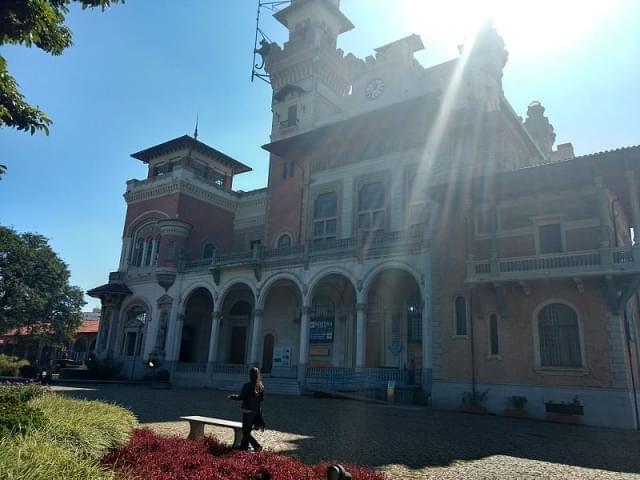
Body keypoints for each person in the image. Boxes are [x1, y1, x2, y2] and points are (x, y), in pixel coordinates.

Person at [227, 366, 264, 451]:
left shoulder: (247, 385)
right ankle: (244, 447)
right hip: (256, 411)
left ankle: (257, 446)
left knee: (245, 432)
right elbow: (261, 400)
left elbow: (241, 397)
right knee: (247, 430)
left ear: (250, 375)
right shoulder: (261, 386)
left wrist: (232, 397)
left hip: (248, 411)